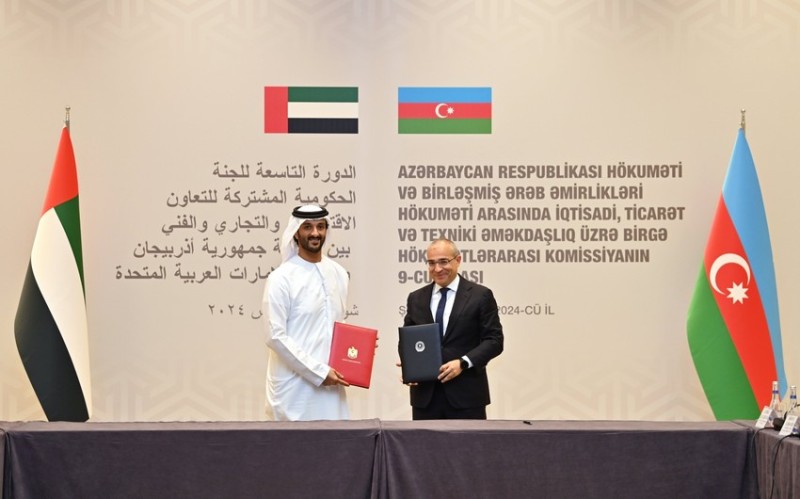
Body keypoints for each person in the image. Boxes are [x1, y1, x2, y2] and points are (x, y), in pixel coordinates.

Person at [262, 204, 350, 421]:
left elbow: (334, 328)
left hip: (331, 387)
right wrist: (318, 372)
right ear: (296, 232)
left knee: (336, 439)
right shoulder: (281, 278)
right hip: (293, 391)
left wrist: (356, 348)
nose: (315, 233)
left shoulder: (339, 273)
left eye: (321, 226)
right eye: (307, 227)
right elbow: (275, 336)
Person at [401, 238, 504, 419]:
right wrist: (409, 367)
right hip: (425, 398)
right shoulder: (416, 298)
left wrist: (463, 363)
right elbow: (407, 341)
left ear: (458, 260)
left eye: (443, 261)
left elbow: (494, 341)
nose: (437, 269)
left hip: (467, 397)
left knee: (469, 440)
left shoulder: (480, 295)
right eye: (431, 263)